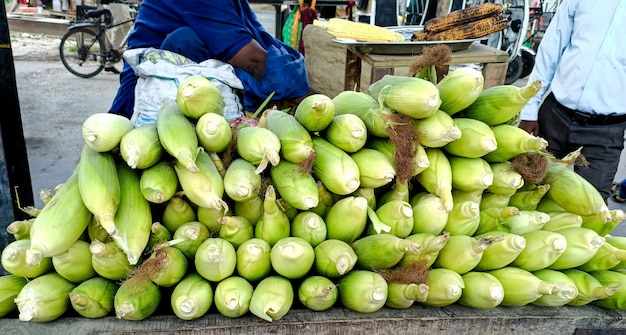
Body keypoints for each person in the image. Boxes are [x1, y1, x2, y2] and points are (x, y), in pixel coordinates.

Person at [108, 0, 315, 120]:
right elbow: (252, 58)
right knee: (186, 39)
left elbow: (257, 37)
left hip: (190, 88)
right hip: (146, 100)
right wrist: (308, 97)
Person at [518, 0, 626, 202]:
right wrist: (529, 110)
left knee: (590, 212)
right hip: (554, 117)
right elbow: (551, 48)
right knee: (525, 191)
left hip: (606, 133)